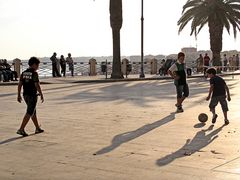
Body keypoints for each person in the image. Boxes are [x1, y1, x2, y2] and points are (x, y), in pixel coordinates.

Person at [17, 57, 44, 136]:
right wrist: (41, 94)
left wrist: (18, 95)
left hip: (25, 95)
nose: (38, 67)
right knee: (29, 112)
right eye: (38, 65)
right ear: (34, 64)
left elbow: (20, 84)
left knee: (33, 112)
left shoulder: (24, 73)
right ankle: (21, 129)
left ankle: (37, 128)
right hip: (32, 95)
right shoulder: (34, 74)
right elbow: (37, 85)